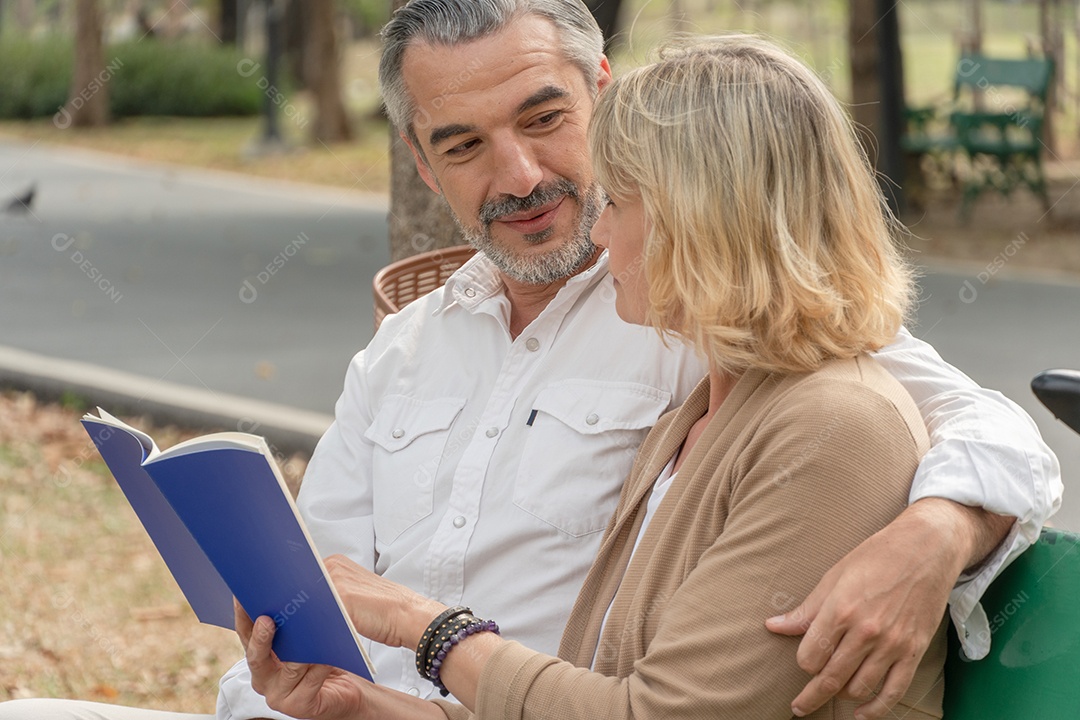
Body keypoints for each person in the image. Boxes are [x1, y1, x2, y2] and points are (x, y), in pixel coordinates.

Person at [0, 2, 1060, 720]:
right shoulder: (406, 350)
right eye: (462, 144)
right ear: (420, 157)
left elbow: (967, 426)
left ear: (603, 90)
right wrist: (300, 694)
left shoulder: (716, 331)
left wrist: (938, 527)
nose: (522, 176)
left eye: (546, 121)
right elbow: (315, 593)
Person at [240, 34, 954, 719]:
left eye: (617, 201)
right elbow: (591, 694)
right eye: (464, 144)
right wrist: (363, 706)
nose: (600, 232)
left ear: (706, 217)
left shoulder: (836, 425)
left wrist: (423, 627)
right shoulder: (702, 410)